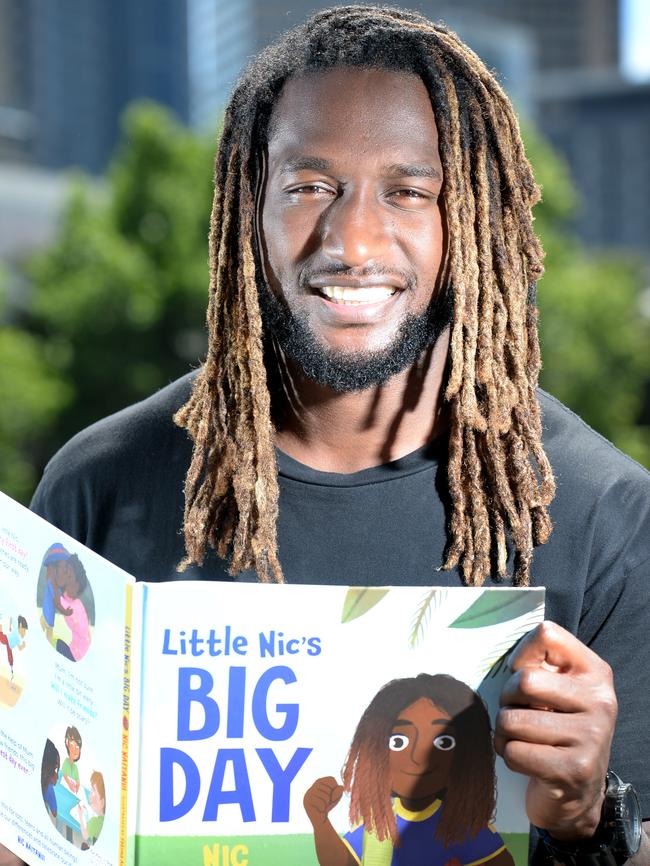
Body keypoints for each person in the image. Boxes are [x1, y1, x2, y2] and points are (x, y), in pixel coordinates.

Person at [11, 6, 648, 866]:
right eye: (310, 187)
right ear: (249, 208)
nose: (352, 240)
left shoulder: (604, 516)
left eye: (409, 191)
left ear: (474, 217)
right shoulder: (100, 484)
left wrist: (583, 819)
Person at [304, 673, 513, 866]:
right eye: (398, 741)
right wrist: (320, 821)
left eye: (443, 742)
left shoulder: (462, 826)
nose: (416, 757)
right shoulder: (379, 823)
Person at [61, 726, 82, 795]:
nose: (76, 749)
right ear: (67, 743)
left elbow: (78, 781)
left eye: (77, 746)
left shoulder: (75, 767)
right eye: (73, 744)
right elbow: (64, 775)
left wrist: (77, 787)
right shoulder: (66, 762)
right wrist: (70, 784)